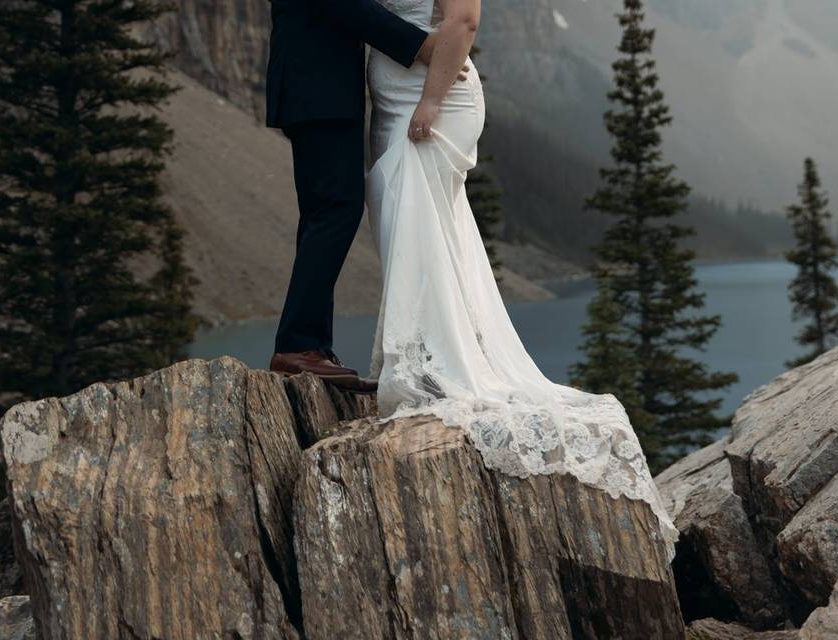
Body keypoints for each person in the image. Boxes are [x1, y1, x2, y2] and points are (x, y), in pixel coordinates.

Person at [364, 0, 679, 557]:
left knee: (419, 228)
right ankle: (425, 357)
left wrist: (432, 101)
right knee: (417, 230)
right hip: (394, 95)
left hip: (430, 96)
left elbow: (463, 20)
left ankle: (430, 368)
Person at [266, 0, 457, 392]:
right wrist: (421, 45)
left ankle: (310, 346)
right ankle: (298, 347)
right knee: (336, 208)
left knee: (326, 210)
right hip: (317, 86)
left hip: (317, 87)